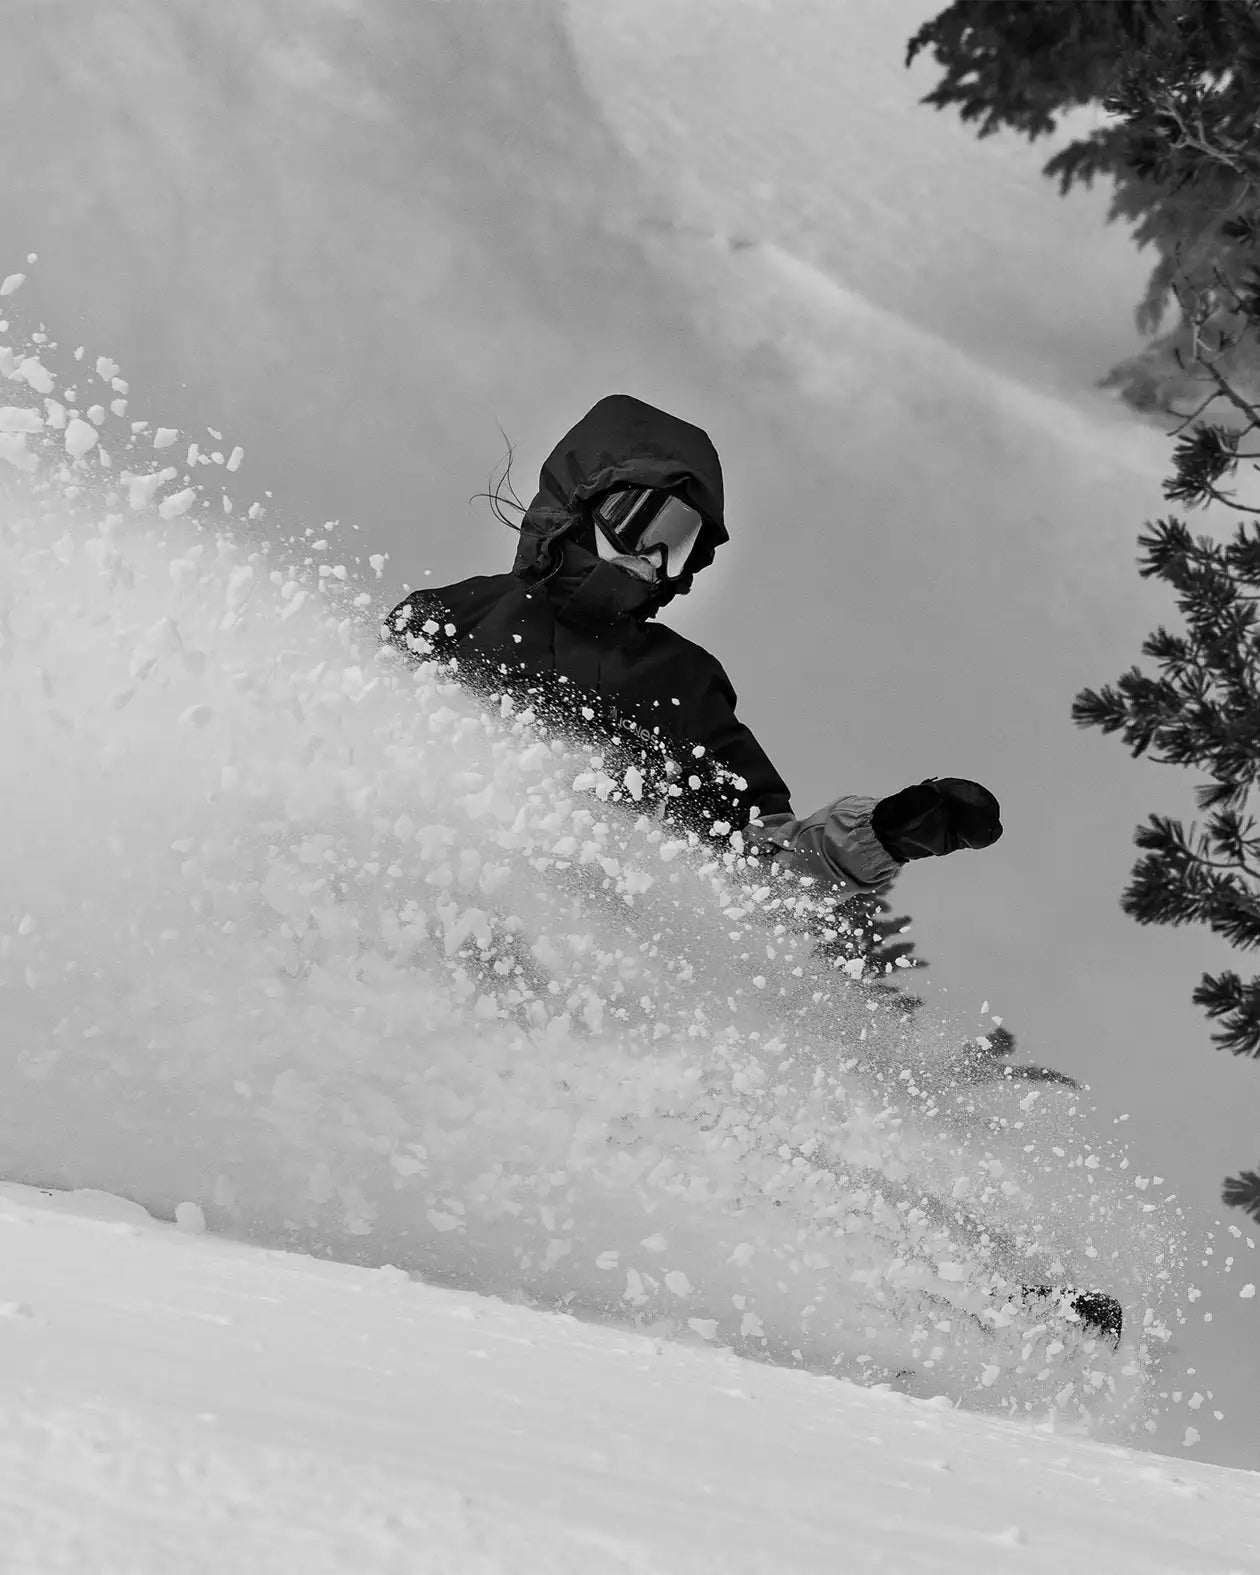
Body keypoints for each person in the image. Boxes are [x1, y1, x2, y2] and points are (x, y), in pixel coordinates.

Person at [383, 393, 1001, 904]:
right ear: (579, 507)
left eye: (676, 542)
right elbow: (361, 714)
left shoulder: (678, 681)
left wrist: (880, 835)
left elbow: (760, 859)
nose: (652, 556)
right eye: (640, 523)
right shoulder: (464, 612)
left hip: (560, 928)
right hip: (405, 884)